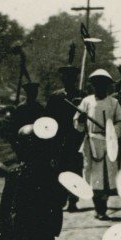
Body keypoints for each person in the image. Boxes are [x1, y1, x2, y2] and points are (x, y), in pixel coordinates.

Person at [74, 69, 121, 220]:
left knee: (107, 176)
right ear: (93, 86)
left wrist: (112, 131)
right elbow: (77, 122)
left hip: (109, 143)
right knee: (94, 176)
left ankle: (103, 207)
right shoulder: (87, 101)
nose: (100, 88)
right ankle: (99, 209)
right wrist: (81, 120)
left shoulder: (113, 102)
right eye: (97, 85)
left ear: (108, 87)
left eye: (103, 85)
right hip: (92, 143)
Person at [44, 66, 85, 211]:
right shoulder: (56, 96)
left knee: (75, 168)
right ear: (62, 79)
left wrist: (81, 107)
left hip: (76, 137)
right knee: (60, 169)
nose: (68, 80)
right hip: (59, 137)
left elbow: (86, 117)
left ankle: (73, 200)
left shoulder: (82, 96)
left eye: (72, 78)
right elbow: (48, 117)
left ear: (75, 79)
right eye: (65, 77)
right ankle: (60, 199)